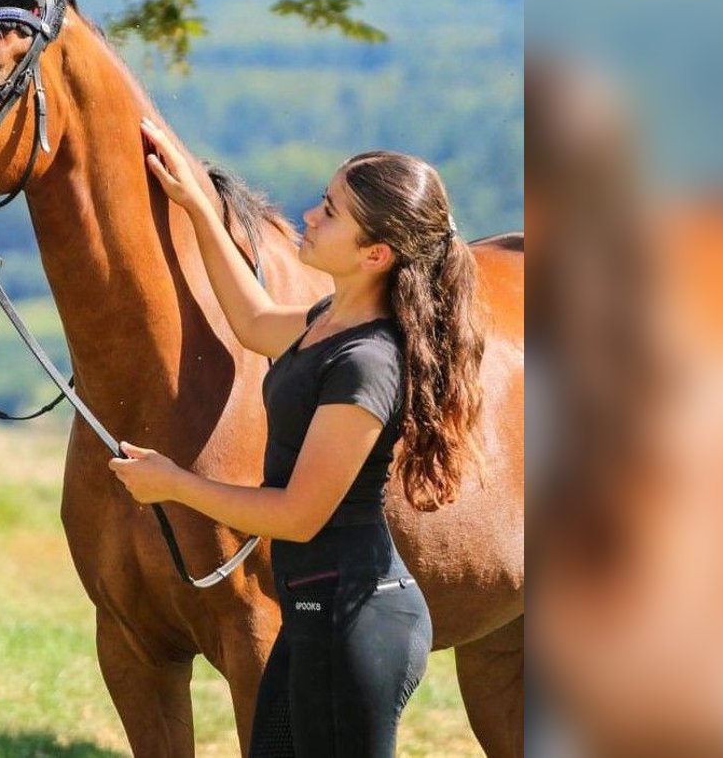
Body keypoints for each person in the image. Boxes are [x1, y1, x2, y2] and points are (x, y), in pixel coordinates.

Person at [109, 118, 486, 757]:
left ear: (376, 254)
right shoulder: (327, 323)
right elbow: (255, 322)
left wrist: (174, 485)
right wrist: (200, 205)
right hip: (312, 617)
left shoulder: (368, 361)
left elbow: (298, 516)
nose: (310, 214)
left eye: (332, 212)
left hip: (356, 626)